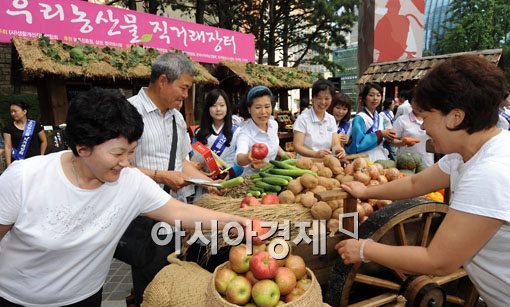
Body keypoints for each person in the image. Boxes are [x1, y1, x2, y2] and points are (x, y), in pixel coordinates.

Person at [0, 87, 250, 307]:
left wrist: (237, 223)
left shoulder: (130, 181)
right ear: (82, 147)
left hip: (85, 298)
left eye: (131, 151)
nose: (126, 162)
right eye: (118, 153)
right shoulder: (24, 179)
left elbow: (180, 212)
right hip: (17, 299)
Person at [336, 55, 510, 306]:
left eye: (426, 117)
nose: (423, 127)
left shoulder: (488, 173)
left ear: (455, 117)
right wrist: (365, 191)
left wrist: (364, 250)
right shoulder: (467, 154)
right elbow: (414, 184)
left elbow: (438, 260)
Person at [126, 52, 220, 305]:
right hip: (143, 214)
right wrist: (160, 176)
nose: (186, 96)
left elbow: (182, 162)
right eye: (184, 88)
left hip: (174, 212)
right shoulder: (129, 112)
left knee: (173, 280)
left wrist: (209, 184)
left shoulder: (177, 118)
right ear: (163, 80)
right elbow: (117, 167)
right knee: (150, 284)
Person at [236, 85, 294, 174]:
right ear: (249, 109)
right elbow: (239, 159)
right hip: (254, 181)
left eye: (267, 106)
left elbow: (272, 142)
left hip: (272, 174)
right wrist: (249, 157)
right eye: (258, 107)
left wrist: (283, 153)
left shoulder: (273, 125)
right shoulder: (245, 133)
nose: (263, 112)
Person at [195, 88, 243, 178]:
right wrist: (200, 172)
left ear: (227, 107)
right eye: (213, 105)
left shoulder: (238, 132)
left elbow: (241, 162)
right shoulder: (199, 132)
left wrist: (229, 174)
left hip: (228, 182)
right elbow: (193, 158)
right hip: (204, 181)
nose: (218, 109)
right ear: (208, 108)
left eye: (222, 105)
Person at [293, 79, 346, 158]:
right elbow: (297, 146)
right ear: (313, 98)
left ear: (332, 99)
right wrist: (315, 154)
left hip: (324, 165)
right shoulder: (303, 119)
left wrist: (339, 150)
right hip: (305, 166)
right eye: (319, 98)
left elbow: (335, 144)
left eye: (327, 98)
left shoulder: (331, 119)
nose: (323, 102)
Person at [345, 83, 396, 161]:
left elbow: (383, 140)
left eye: (378, 95)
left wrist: (394, 139)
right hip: (365, 158)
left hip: (380, 156)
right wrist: (380, 134)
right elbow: (357, 144)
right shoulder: (360, 118)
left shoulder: (380, 118)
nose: (375, 98)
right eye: (371, 95)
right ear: (365, 98)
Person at [2, 101, 47, 166]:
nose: (12, 113)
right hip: (18, 162)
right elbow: (8, 146)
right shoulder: (8, 128)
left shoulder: (35, 124)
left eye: (15, 111)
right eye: (11, 111)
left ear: (24, 112)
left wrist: (41, 155)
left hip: (36, 161)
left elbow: (44, 141)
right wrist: (9, 164)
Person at [392, 99, 434, 167]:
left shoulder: (432, 120)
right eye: (416, 101)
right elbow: (392, 141)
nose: (419, 104)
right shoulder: (401, 120)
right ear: (410, 102)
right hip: (406, 164)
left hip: (427, 162)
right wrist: (402, 143)